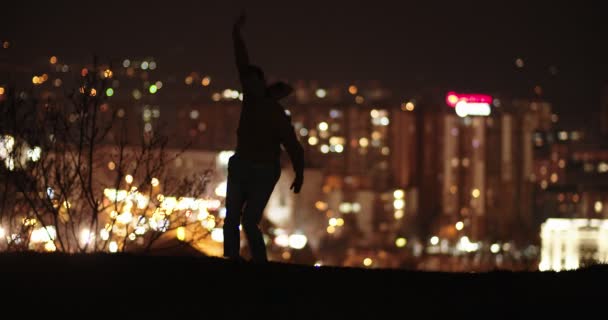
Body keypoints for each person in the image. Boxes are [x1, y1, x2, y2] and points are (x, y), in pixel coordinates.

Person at [223, 12, 305, 263]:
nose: (248, 85)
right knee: (233, 218)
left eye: (252, 81)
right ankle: (233, 259)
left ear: (262, 83)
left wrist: (300, 173)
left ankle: (258, 263)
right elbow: (242, 61)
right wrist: (236, 34)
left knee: (247, 220)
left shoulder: (277, 115)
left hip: (262, 170)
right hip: (246, 165)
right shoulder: (253, 100)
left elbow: (293, 146)